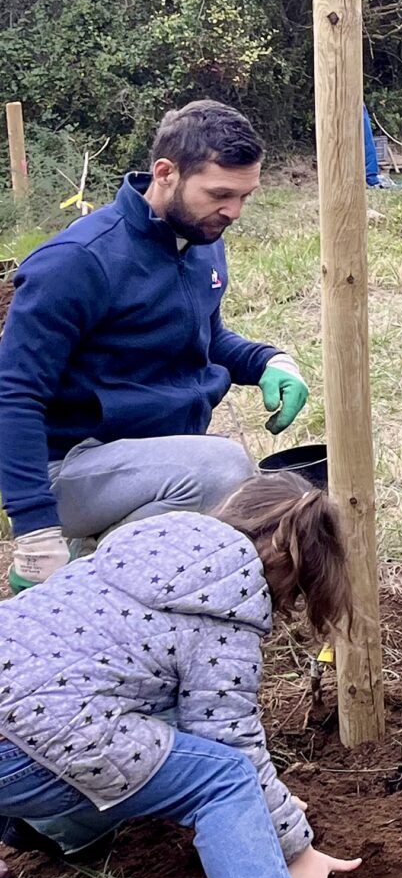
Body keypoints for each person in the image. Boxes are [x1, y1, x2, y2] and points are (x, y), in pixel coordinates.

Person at [0, 476, 373, 878]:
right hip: (28, 743)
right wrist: (295, 845)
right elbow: (230, 741)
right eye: (296, 596)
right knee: (223, 779)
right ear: (292, 567)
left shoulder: (144, 549)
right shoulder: (227, 607)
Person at [0, 101, 309, 592]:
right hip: (66, 467)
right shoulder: (76, 262)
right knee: (222, 470)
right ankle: (81, 590)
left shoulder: (200, 234)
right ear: (165, 173)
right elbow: (14, 396)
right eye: (220, 194)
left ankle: (110, 569)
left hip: (143, 459)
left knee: (252, 510)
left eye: (245, 195)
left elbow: (203, 335)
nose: (234, 211)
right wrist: (37, 532)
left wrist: (269, 360)